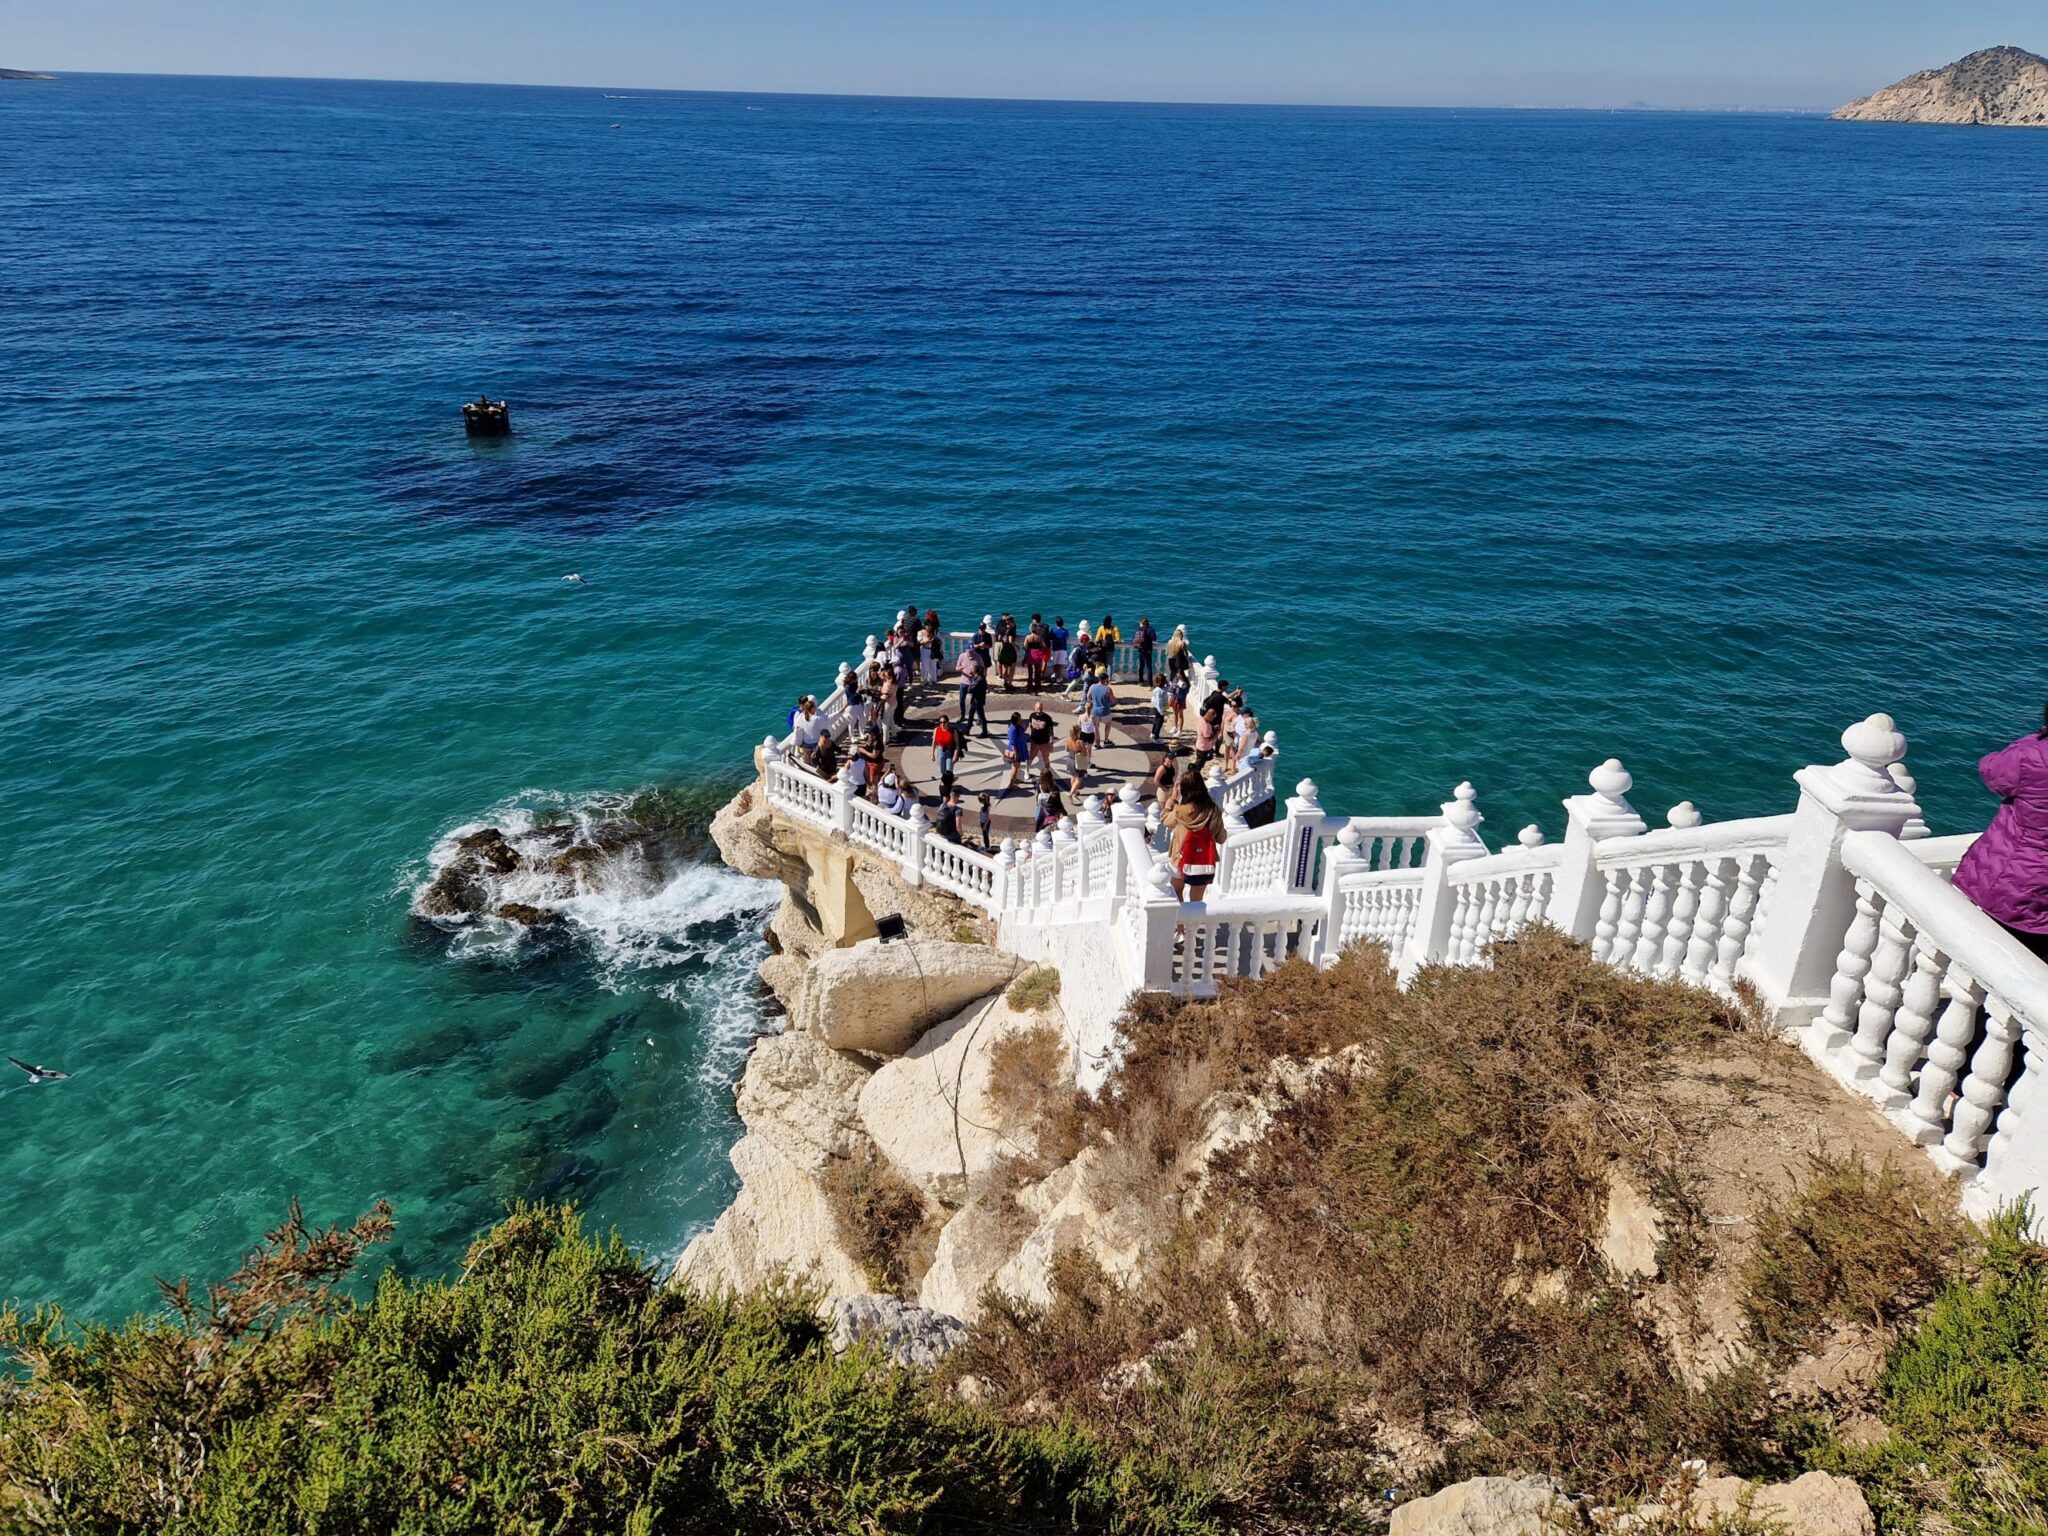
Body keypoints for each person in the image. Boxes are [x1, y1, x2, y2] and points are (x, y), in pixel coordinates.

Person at [1952, 707, 2048, 962]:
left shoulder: (2032, 754)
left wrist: (2034, 739)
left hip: (2010, 874)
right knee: (2031, 956)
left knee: (1976, 947)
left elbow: (1992, 772)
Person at [1166, 767, 1226, 901]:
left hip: (1179, 857)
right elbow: (1221, 838)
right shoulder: (1213, 810)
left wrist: (1173, 799)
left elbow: (1164, 819)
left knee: (1176, 893)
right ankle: (1192, 923)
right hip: (1203, 860)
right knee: (1196, 900)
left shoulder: (1179, 811)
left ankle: (1180, 923)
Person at [1086, 669, 1117, 749]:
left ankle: (1097, 743)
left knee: (1096, 727)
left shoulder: (1092, 686)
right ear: (1106, 679)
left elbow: (1088, 697)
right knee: (1108, 725)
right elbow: (1113, 700)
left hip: (1095, 711)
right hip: (1105, 711)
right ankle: (1106, 741)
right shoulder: (1108, 689)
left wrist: (1092, 702)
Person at [1003, 711, 1031, 790]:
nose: (1021, 719)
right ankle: (1011, 785)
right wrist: (1016, 754)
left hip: (1020, 747)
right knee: (1015, 766)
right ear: (1016, 720)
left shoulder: (1017, 726)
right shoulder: (1013, 728)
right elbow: (1012, 742)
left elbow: (1023, 730)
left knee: (1015, 766)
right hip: (1016, 750)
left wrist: (1023, 725)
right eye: (1019, 719)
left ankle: (1014, 779)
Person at [1027, 700, 1055, 777]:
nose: (1039, 711)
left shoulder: (1047, 718)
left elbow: (1051, 731)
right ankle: (1027, 770)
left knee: (1046, 758)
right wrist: (1029, 735)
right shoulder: (1032, 715)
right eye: (1037, 709)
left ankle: (1047, 772)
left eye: (1040, 709)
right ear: (1034, 708)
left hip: (1044, 743)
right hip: (1034, 742)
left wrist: (1051, 742)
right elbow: (1030, 726)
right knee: (1031, 758)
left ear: (1043, 708)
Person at [933, 713, 960, 786]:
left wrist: (955, 755)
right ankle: (949, 780)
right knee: (942, 770)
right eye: (940, 722)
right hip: (940, 751)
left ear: (948, 722)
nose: (942, 724)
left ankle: (948, 784)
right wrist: (932, 754)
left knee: (949, 770)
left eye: (944, 722)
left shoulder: (953, 731)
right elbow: (934, 742)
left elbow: (957, 745)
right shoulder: (936, 730)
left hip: (950, 752)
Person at [1063, 722, 1088, 798]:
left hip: (1070, 760)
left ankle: (1074, 791)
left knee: (1072, 776)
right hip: (1077, 762)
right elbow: (1084, 754)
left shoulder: (1068, 740)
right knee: (1079, 779)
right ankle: (1071, 794)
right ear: (1078, 732)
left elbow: (1066, 749)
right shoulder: (1080, 742)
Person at [1133, 616, 1157, 686]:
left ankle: (1140, 681)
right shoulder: (1151, 630)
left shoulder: (1138, 630)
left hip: (1140, 650)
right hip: (1148, 650)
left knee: (1141, 666)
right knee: (1149, 667)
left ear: (1141, 623)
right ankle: (1150, 684)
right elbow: (1154, 638)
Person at [996, 619, 1019, 691]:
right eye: (1013, 623)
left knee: (1005, 667)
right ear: (1011, 623)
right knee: (1012, 668)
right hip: (1010, 650)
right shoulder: (1011, 631)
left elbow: (999, 638)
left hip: (1004, 649)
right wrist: (1016, 646)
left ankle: (1005, 682)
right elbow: (1010, 640)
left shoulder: (1002, 629)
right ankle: (1009, 684)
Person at [1168, 671, 1190, 739]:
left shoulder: (1186, 684)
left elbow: (1184, 693)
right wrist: (1172, 686)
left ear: (1181, 674)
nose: (1177, 675)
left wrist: (1179, 689)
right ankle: (1175, 726)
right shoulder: (1176, 679)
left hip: (1180, 700)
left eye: (1178, 674)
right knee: (1175, 713)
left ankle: (1180, 730)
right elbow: (1172, 689)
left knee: (1181, 715)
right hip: (1174, 699)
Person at [1148, 677, 1169, 743]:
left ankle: (1153, 733)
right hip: (1159, 709)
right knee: (1159, 722)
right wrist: (1162, 711)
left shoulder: (1159, 688)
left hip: (1157, 708)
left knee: (1156, 720)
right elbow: (1159, 703)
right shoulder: (1159, 691)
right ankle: (1156, 738)